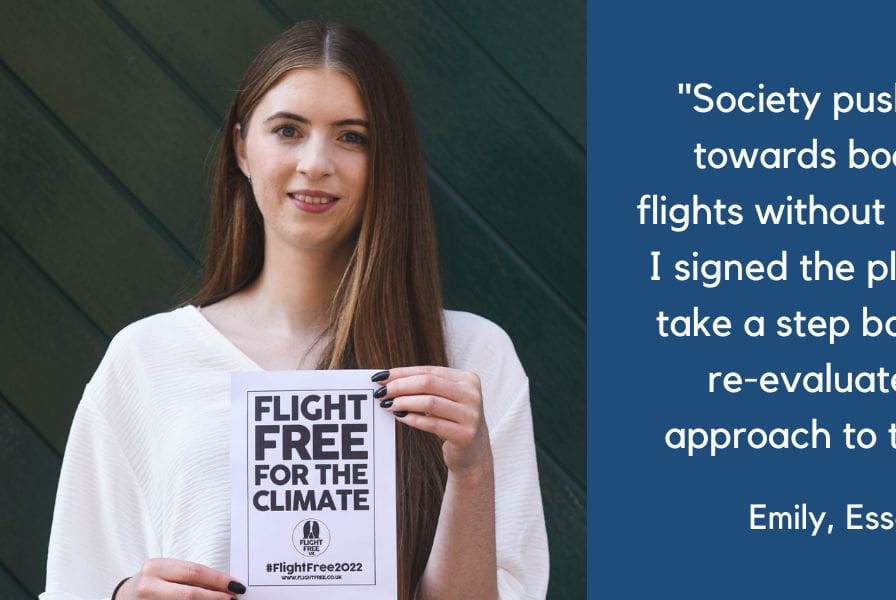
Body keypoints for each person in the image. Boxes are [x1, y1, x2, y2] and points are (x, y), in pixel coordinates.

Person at [40, 21, 548, 600]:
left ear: (387, 160)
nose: (315, 162)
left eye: (352, 137)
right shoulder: (146, 360)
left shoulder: (471, 360)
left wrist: (471, 470)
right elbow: (74, 582)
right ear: (241, 148)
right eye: (287, 130)